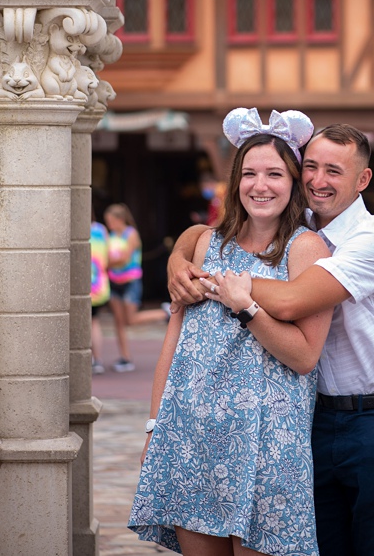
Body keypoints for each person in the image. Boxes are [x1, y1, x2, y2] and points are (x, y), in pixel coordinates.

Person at [168, 122, 374, 556]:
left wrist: (213, 279)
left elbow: (290, 302)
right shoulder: (302, 221)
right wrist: (179, 260)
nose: (318, 181)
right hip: (317, 420)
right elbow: (202, 234)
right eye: (310, 167)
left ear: (362, 180)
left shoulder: (370, 240)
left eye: (334, 171)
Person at [129, 108, 333, 555]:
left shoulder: (307, 249)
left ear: (294, 182)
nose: (261, 185)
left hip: (266, 443)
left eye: (275, 174)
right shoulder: (205, 244)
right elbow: (175, 342)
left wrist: (248, 309)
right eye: (250, 173)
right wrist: (153, 427)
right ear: (235, 182)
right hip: (190, 436)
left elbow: (303, 357)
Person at [105, 203, 143, 371]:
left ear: (120, 219)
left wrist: (105, 263)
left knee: (131, 320)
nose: (109, 225)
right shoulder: (111, 235)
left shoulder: (131, 234)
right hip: (114, 281)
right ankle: (125, 357)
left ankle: (163, 314)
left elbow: (125, 258)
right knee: (119, 322)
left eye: (111, 221)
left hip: (130, 281)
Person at [90, 214, 111, 374]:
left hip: (82, 282)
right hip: (99, 283)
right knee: (94, 321)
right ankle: (97, 360)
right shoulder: (101, 229)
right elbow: (108, 255)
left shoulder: (76, 227)